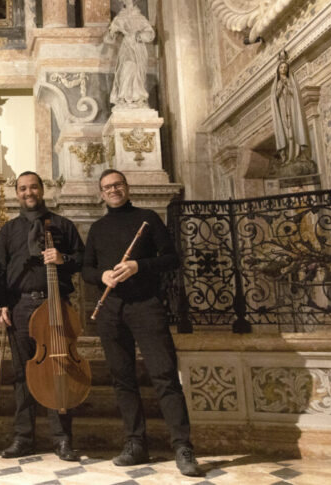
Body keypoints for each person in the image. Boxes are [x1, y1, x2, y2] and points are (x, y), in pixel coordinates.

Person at [81, 169, 201, 477]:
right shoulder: (98, 228)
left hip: (146, 306)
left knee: (164, 375)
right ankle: (136, 443)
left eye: (117, 185)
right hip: (111, 310)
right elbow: (87, 269)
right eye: (107, 187)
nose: (113, 190)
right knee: (123, 379)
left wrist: (138, 266)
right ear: (101, 193)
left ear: (126, 187)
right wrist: (102, 276)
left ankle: (183, 446)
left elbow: (172, 258)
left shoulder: (148, 219)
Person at [0, 171, 84, 462]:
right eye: (22, 189)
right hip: (20, 307)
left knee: (60, 369)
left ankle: (62, 438)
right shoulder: (9, 230)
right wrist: (1, 304)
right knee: (22, 374)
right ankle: (23, 437)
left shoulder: (62, 225)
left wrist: (63, 259)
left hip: (55, 303)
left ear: (42, 190)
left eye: (33, 187)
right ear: (17, 193)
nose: (28, 193)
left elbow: (83, 259)